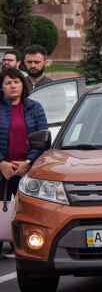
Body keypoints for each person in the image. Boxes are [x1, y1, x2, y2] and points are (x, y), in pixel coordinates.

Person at [0, 68, 49, 251]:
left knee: (29, 211)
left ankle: (27, 247)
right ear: (1, 87)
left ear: (23, 84)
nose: (13, 86)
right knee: (1, 210)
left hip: (28, 168)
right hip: (2, 168)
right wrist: (2, 163)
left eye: (16, 82)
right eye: (8, 83)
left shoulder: (34, 107)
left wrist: (28, 162)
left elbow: (43, 138)